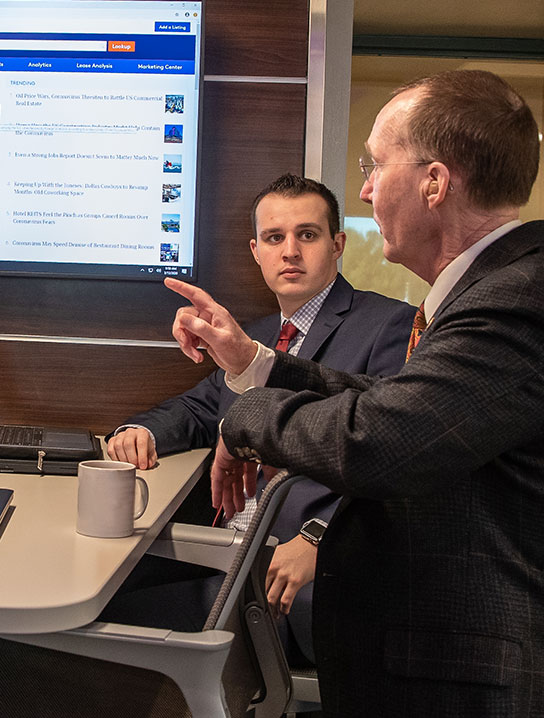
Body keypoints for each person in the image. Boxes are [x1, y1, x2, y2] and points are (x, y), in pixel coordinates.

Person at [168, 70, 542, 716]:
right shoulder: (496, 290)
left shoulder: (516, 300)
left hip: (459, 671)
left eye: (375, 164)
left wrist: (247, 418)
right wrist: (255, 366)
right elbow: (390, 400)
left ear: (434, 182)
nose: (365, 189)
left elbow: (379, 439)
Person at [104, 173, 415, 664]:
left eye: (307, 235)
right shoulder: (259, 334)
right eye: (274, 238)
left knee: (94, 618)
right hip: (225, 546)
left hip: (288, 572)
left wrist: (321, 536)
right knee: (100, 577)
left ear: (337, 245)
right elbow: (201, 407)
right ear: (256, 251)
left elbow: (397, 454)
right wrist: (136, 432)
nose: (290, 251)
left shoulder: (389, 325)